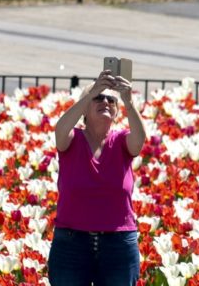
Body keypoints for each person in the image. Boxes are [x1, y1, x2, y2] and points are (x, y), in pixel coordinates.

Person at [48, 70, 146, 286]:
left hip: (118, 245)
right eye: (98, 97)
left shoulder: (121, 141)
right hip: (72, 244)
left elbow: (139, 140)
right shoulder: (72, 140)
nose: (105, 101)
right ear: (84, 108)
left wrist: (128, 101)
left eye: (111, 99)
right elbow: (60, 130)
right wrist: (90, 92)